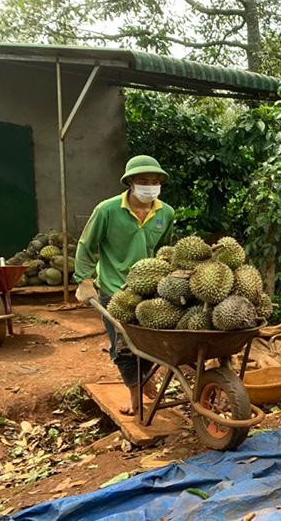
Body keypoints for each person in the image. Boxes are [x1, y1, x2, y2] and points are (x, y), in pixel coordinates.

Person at [74, 155, 175, 415]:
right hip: (115, 289)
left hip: (150, 290)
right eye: (143, 181)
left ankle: (143, 379)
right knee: (123, 346)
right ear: (130, 182)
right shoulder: (107, 210)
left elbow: (165, 249)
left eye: (154, 181)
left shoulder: (166, 213)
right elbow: (87, 245)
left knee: (150, 343)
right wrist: (84, 280)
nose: (149, 186)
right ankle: (134, 396)